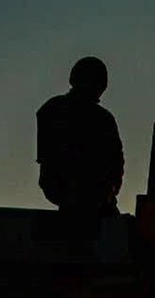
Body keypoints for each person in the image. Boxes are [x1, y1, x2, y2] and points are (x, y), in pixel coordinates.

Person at [35, 56, 124, 217]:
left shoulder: (51, 109)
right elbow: (115, 162)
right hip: (84, 193)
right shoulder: (102, 119)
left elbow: (116, 162)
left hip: (79, 192)